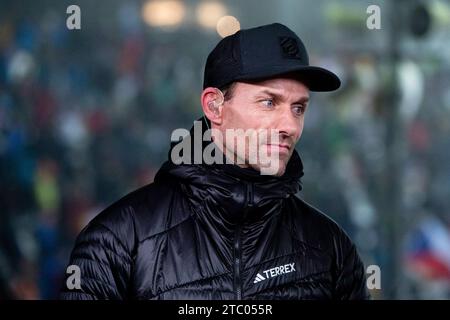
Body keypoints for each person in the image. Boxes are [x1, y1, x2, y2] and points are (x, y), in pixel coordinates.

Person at [61, 23, 369, 300]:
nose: (289, 125)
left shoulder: (332, 251)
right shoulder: (117, 242)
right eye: (269, 102)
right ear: (214, 106)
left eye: (299, 108)